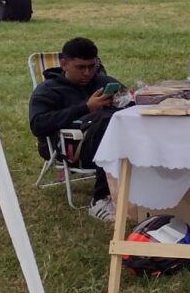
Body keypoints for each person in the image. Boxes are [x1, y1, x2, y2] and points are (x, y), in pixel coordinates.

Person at [29, 38, 122, 221]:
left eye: (92, 66)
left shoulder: (103, 82)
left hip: (113, 141)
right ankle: (100, 198)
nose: (87, 73)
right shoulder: (48, 90)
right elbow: (38, 124)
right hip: (71, 148)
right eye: (80, 67)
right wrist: (86, 108)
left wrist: (124, 100)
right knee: (106, 121)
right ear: (64, 64)